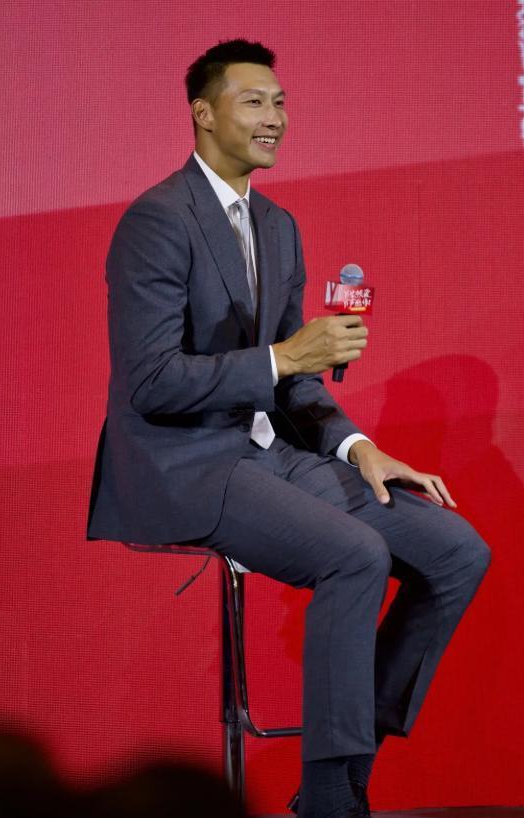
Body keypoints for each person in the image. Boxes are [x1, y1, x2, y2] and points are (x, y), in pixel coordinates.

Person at [87, 39, 491, 818]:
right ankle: (335, 799)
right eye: (253, 101)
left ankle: (346, 767)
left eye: (279, 102)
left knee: (455, 552)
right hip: (183, 459)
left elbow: (295, 382)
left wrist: (357, 446)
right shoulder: (157, 220)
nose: (273, 117)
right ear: (204, 114)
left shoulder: (277, 226)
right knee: (355, 553)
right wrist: (280, 357)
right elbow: (151, 381)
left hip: (275, 453)